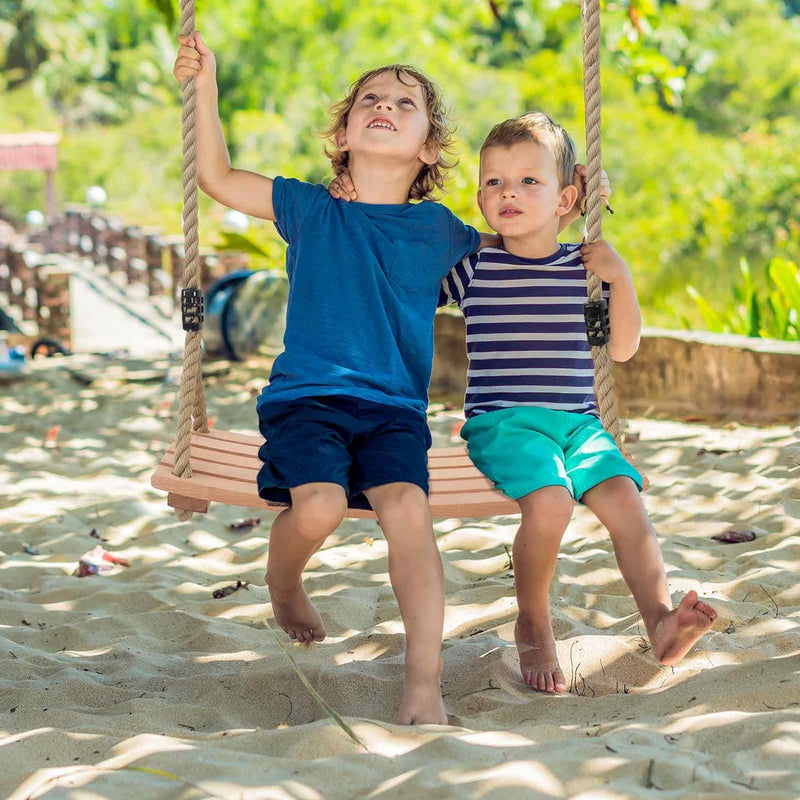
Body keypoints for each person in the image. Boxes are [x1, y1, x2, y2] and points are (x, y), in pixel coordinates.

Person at [173, 34, 492, 724]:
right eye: (370, 98)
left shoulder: (440, 230)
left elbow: (519, 261)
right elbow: (220, 179)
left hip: (394, 413)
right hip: (307, 401)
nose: (384, 105)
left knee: (408, 510)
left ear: (428, 148)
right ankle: (282, 585)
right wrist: (204, 88)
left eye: (405, 102)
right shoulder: (312, 210)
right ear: (344, 133)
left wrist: (569, 206)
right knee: (314, 507)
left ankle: (423, 684)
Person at [438, 112, 717, 692]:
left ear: (568, 197)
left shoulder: (585, 270)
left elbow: (622, 348)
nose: (508, 192)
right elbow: (404, 284)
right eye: (493, 182)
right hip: (504, 424)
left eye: (528, 181)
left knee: (626, 505)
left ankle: (660, 620)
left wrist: (622, 278)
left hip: (579, 427)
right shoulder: (473, 268)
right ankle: (534, 622)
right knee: (551, 502)